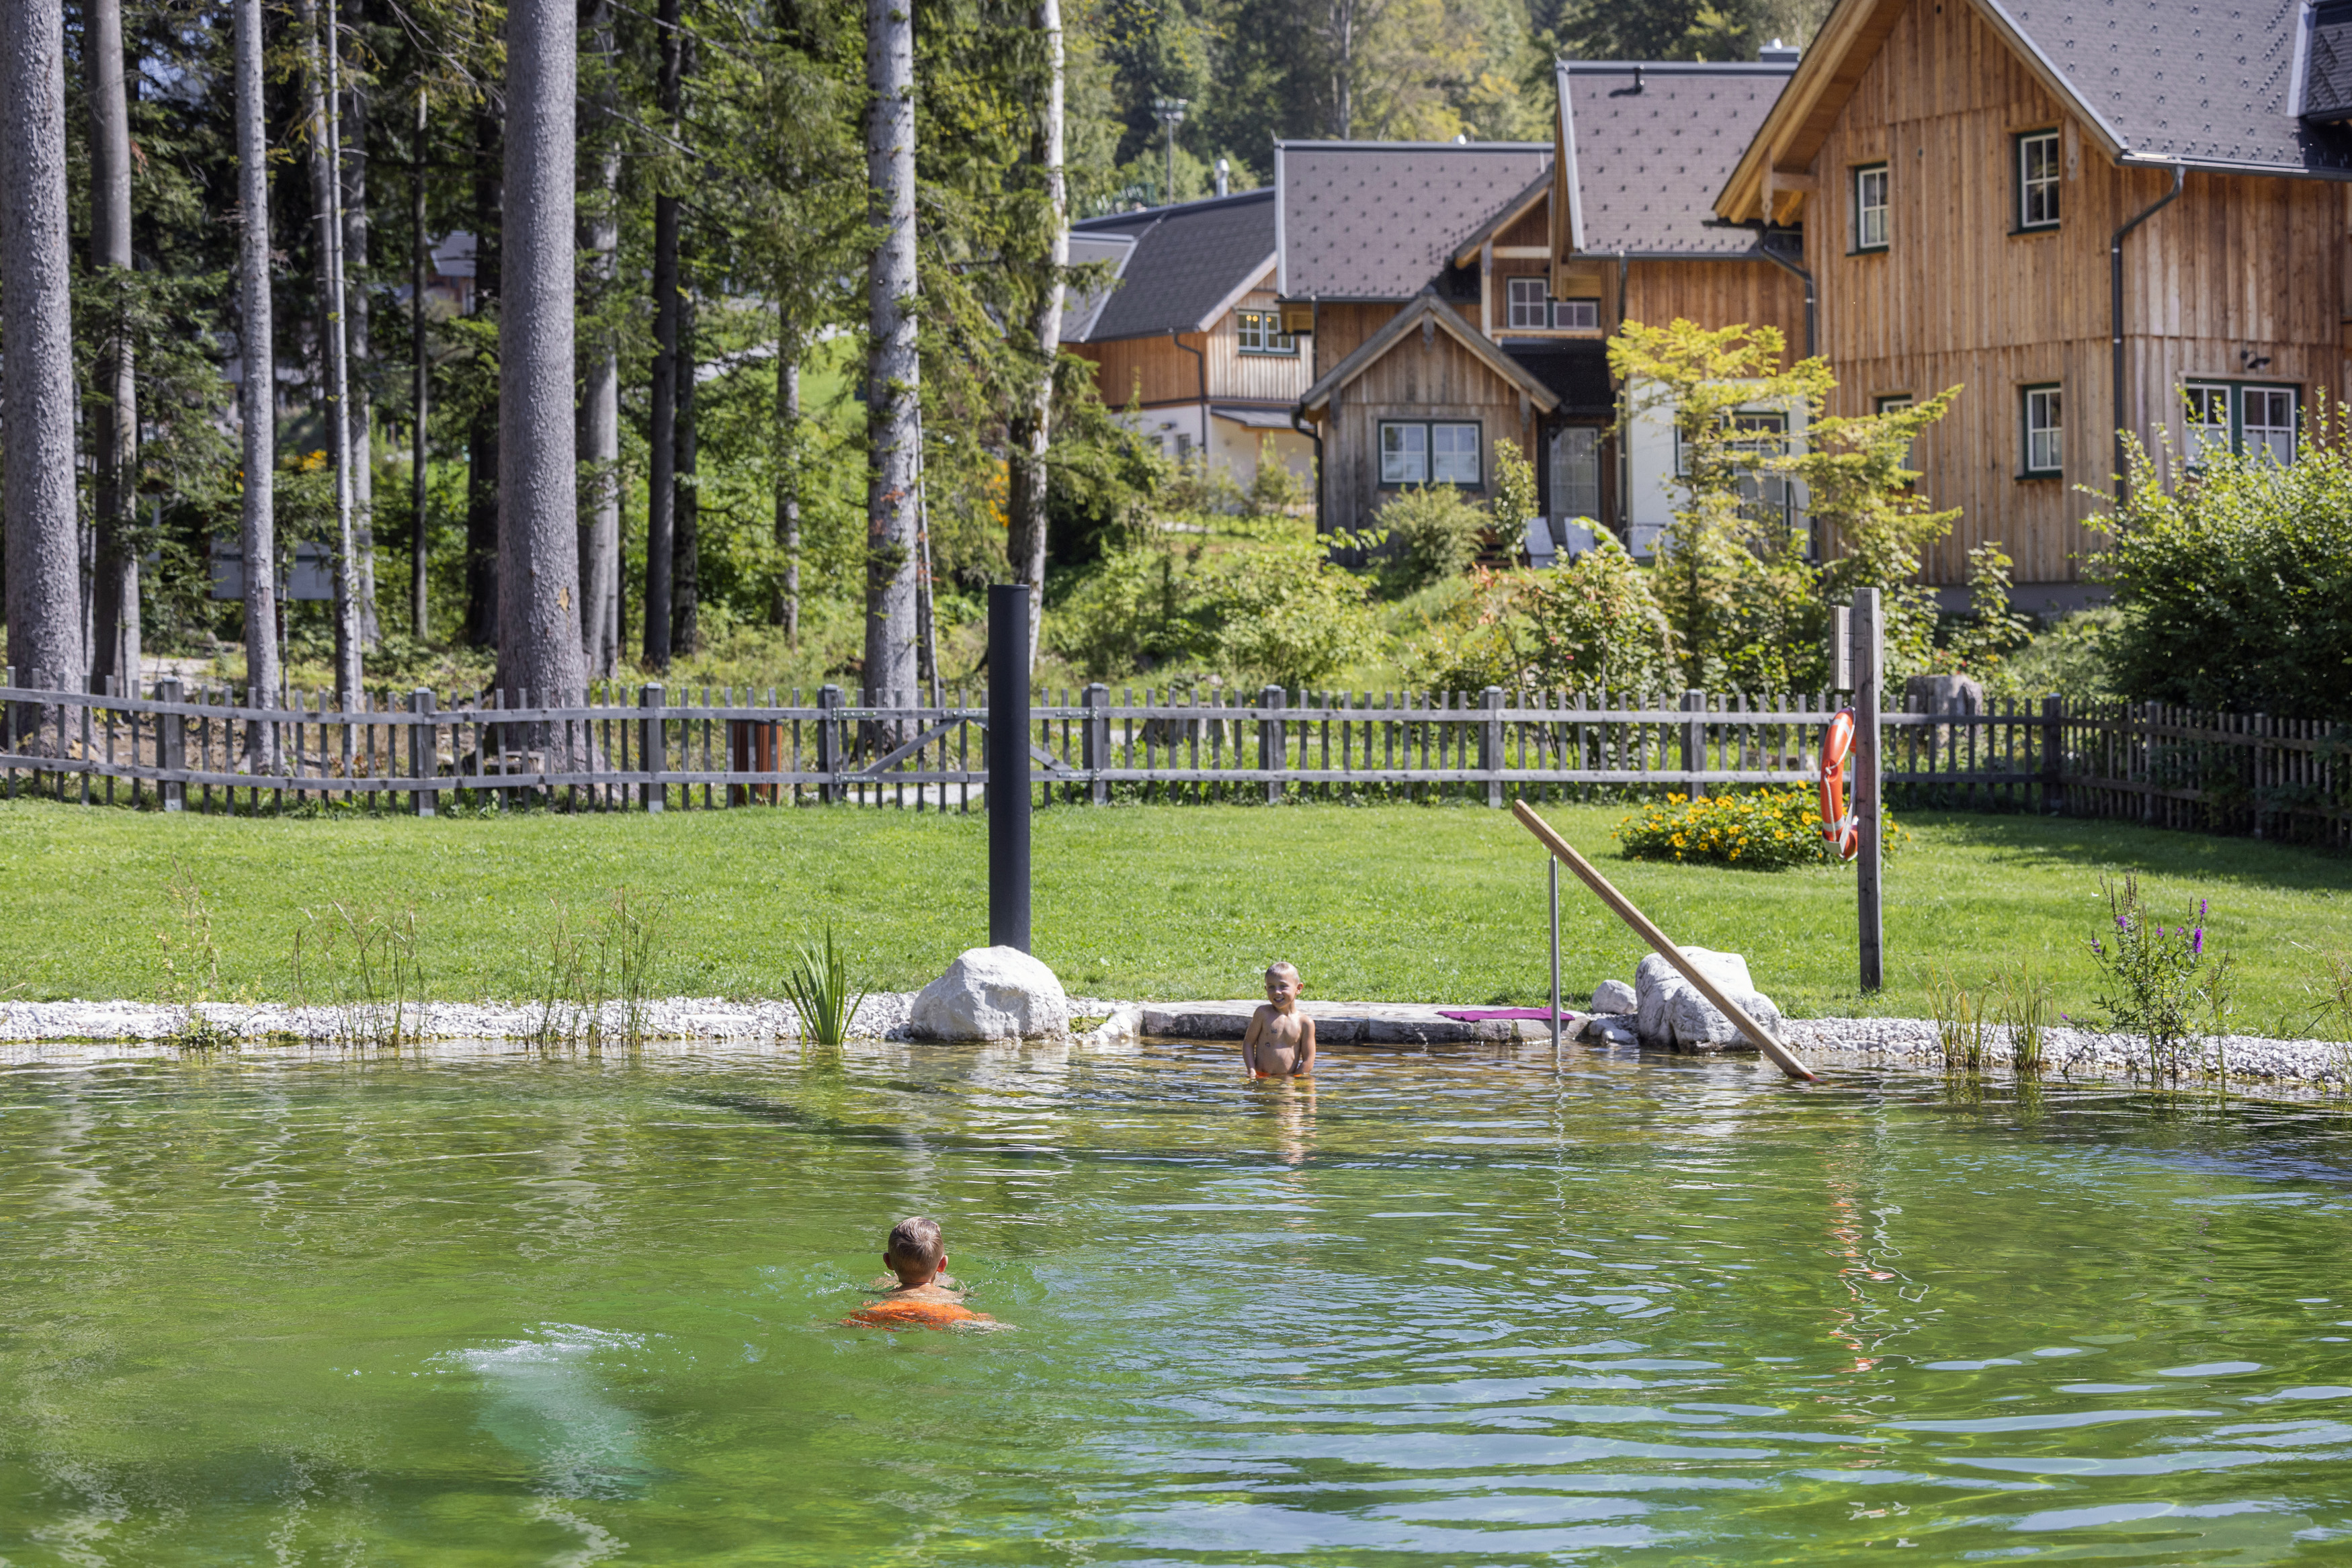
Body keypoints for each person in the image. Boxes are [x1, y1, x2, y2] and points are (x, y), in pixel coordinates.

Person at [843, 1215, 999, 1330]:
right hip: (940, 1312)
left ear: (888, 1262)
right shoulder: (950, 1289)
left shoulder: (883, 1290)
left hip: (893, 1309)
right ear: (943, 1264)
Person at [1241, 961, 1317, 1078]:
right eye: (1271, 987)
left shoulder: (1305, 1023)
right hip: (1260, 1076)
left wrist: (1293, 1080)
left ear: (1298, 988)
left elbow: (1309, 1060)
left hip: (1288, 1081)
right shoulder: (1263, 1014)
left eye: (1283, 986)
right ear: (1266, 989)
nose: (1277, 991)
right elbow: (1248, 1043)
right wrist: (1251, 1071)